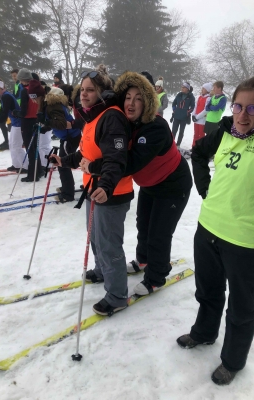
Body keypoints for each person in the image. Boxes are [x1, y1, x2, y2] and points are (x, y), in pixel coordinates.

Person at [177, 75, 254, 385]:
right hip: (209, 228)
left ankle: (233, 360)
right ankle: (203, 333)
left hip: (246, 242)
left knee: (241, 307)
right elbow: (199, 154)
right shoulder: (226, 130)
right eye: (239, 106)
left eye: (253, 108)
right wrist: (204, 186)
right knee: (209, 291)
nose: (243, 115)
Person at [81, 71, 192, 295]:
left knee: (158, 234)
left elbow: (129, 163)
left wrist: (93, 166)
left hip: (173, 186)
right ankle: (143, 261)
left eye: (139, 98)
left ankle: (156, 276)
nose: (131, 103)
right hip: (150, 185)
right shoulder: (128, 123)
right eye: (128, 97)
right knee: (143, 225)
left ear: (148, 102)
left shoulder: (155, 127)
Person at [51, 64, 134, 316]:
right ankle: (101, 271)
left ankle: (118, 294)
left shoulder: (111, 116)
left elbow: (116, 157)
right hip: (93, 188)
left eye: (90, 90)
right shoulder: (92, 116)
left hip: (111, 192)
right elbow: (86, 154)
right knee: (96, 237)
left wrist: (106, 186)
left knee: (109, 244)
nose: (83, 95)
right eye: (82, 90)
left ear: (102, 92)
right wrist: (64, 161)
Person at [37, 86, 81, 201]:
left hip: (70, 137)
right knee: (62, 163)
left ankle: (68, 194)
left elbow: (61, 124)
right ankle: (67, 188)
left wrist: (46, 121)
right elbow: (56, 121)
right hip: (68, 137)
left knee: (63, 165)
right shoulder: (56, 105)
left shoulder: (53, 106)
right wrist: (45, 127)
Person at [0, 77, 28, 172]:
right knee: (12, 145)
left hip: (19, 123)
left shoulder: (6, 96)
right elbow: (2, 111)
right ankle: (17, 164)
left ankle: (26, 166)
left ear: (0, 86)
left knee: (16, 145)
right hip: (15, 123)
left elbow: (4, 112)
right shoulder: (3, 96)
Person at [13, 68, 43, 182]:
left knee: (30, 148)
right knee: (35, 146)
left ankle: (32, 174)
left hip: (27, 121)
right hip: (36, 119)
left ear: (22, 80)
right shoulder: (37, 89)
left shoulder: (24, 90)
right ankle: (39, 170)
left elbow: (24, 111)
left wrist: (16, 112)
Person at [171, 82, 195, 147]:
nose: (182, 88)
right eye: (182, 87)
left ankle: (178, 144)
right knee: (173, 131)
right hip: (176, 116)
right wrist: (174, 110)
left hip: (184, 117)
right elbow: (174, 103)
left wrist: (187, 112)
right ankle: (171, 143)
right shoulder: (179, 94)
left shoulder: (191, 97)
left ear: (187, 89)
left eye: (183, 87)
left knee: (181, 132)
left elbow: (192, 107)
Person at [191, 83, 212, 147]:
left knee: (201, 135)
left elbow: (206, 110)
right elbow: (195, 106)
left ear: (207, 90)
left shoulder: (208, 98)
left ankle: (200, 148)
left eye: (204, 88)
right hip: (196, 119)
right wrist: (193, 115)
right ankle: (194, 146)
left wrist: (197, 117)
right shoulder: (199, 97)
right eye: (202, 88)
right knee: (196, 134)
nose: (202, 89)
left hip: (202, 120)